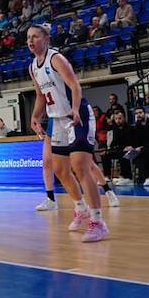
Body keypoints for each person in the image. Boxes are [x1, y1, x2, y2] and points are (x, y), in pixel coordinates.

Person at [24, 25, 108, 243]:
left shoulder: (56, 59)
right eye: (28, 38)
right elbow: (41, 96)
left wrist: (75, 108)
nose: (30, 41)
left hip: (76, 115)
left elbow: (75, 85)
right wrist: (35, 117)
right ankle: (80, 208)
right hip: (56, 120)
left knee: (80, 166)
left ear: (46, 39)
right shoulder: (33, 67)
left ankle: (98, 222)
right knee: (60, 169)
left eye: (34, 37)